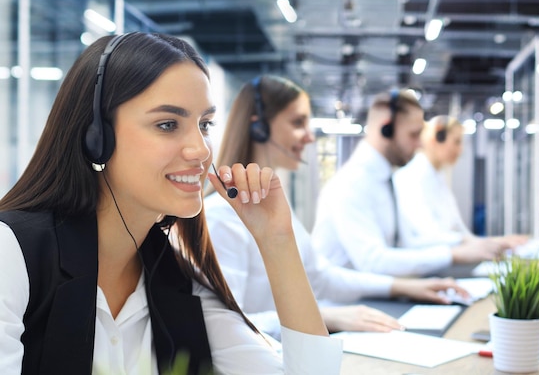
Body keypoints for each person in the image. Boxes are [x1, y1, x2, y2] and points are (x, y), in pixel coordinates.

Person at [0, 32, 342, 374]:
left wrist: (277, 241)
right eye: (167, 125)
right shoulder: (13, 255)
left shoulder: (174, 278)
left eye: (205, 124)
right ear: (96, 138)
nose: (201, 149)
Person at [204, 75, 468, 340]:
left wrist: (406, 287)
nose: (310, 136)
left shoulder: (272, 206)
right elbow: (224, 324)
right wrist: (326, 316)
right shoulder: (221, 216)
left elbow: (320, 277)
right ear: (259, 127)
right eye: (298, 123)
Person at [311, 90, 506, 278]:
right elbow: (372, 261)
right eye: (413, 135)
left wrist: (468, 246)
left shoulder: (385, 179)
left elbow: (407, 242)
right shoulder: (351, 182)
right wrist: (453, 254)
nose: (420, 144)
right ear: (386, 129)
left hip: (371, 300)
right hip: (341, 307)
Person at [394, 115, 528, 251]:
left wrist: (494, 242)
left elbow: (459, 230)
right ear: (437, 137)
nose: (460, 150)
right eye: (457, 142)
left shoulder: (437, 177)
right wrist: (485, 243)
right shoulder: (410, 178)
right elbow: (429, 236)